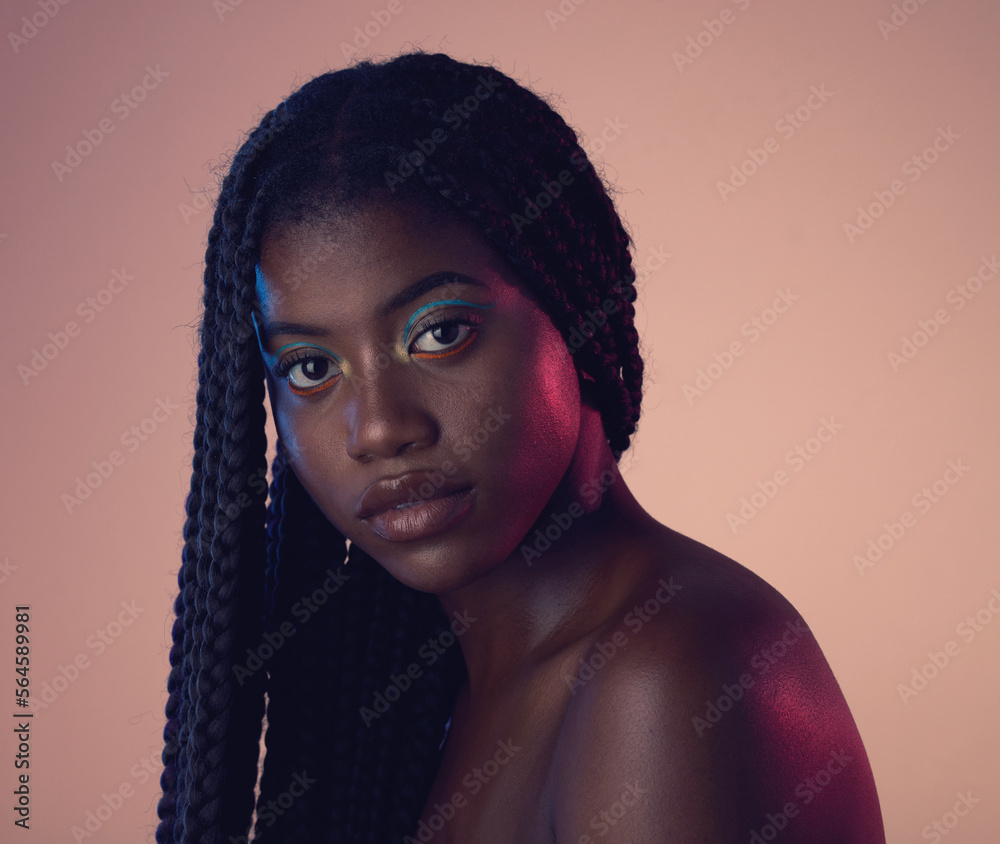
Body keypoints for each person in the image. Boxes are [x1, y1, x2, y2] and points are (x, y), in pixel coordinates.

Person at [157, 51, 886, 843]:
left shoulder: (669, 675)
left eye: (438, 333)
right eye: (310, 367)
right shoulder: (429, 697)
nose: (376, 428)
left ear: (577, 308)